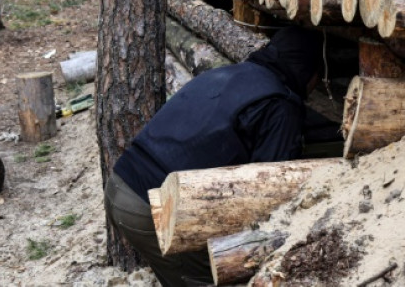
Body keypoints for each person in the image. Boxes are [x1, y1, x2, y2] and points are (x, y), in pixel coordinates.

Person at [104, 26, 325, 287]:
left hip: (120, 185)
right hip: (154, 207)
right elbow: (269, 190)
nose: (318, 85)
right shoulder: (281, 105)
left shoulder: (232, 74)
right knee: (212, 278)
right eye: (319, 77)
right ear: (308, 70)